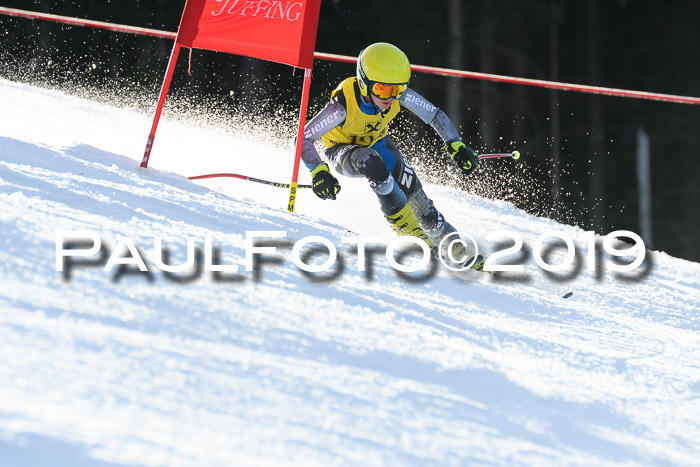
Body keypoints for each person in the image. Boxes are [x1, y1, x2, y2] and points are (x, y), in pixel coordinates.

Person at [299, 42, 481, 266]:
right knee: (373, 163)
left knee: (415, 195)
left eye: (397, 89)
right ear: (365, 83)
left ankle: (451, 245)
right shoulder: (343, 105)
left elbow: (434, 115)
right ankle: (409, 233)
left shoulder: (399, 95)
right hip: (343, 151)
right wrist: (318, 171)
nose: (390, 97)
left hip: (378, 143)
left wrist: (456, 145)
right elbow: (303, 137)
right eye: (382, 89)